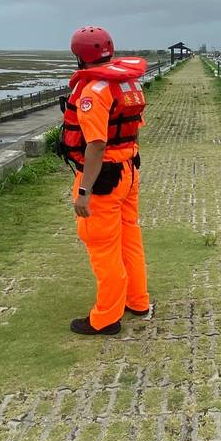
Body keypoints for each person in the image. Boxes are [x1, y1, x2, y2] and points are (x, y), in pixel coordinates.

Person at [59, 26, 150, 335]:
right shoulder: (126, 83)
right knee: (129, 238)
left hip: (103, 179)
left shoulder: (92, 93)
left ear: (79, 56)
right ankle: (137, 301)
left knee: (103, 246)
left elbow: (95, 144)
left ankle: (106, 318)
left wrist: (84, 190)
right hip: (129, 169)